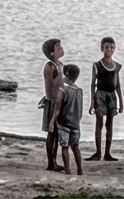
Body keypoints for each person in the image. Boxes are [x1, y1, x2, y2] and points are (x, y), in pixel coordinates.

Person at [87, 36, 124, 162]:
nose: (110, 50)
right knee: (99, 123)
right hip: (100, 95)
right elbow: (93, 84)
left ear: (115, 49)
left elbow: (118, 85)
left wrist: (121, 102)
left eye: (112, 47)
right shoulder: (97, 65)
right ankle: (98, 153)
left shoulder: (117, 66)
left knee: (110, 124)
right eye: (107, 47)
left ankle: (107, 153)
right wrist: (92, 102)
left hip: (112, 96)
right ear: (102, 48)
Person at [49, 64, 85, 175]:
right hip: (75, 123)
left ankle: (68, 169)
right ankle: (80, 170)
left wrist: (52, 122)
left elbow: (57, 107)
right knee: (75, 147)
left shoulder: (63, 89)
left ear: (66, 75)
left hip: (64, 122)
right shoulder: (79, 90)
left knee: (64, 147)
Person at [40, 38, 65, 171]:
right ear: (51, 53)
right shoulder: (50, 67)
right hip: (52, 103)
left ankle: (54, 160)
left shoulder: (60, 65)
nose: (61, 49)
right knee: (51, 133)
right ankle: (51, 162)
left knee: (57, 133)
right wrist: (51, 103)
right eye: (58, 47)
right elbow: (48, 88)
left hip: (60, 103)